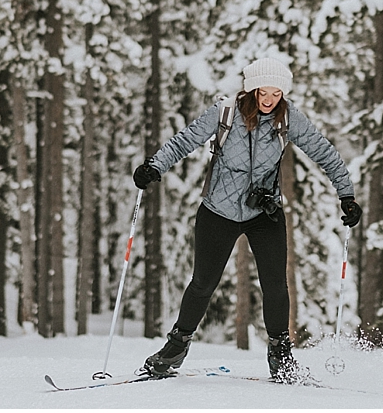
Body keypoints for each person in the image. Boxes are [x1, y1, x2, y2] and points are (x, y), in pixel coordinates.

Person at [131, 57, 362, 382]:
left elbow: (323, 151)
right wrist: (154, 166)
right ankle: (174, 350)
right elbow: (185, 140)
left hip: (263, 212)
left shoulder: (288, 118)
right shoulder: (225, 113)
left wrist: (347, 194)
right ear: (251, 90)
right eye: (262, 93)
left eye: (276, 94)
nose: (269, 100)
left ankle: (281, 356)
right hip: (218, 211)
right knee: (202, 284)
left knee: (275, 285)